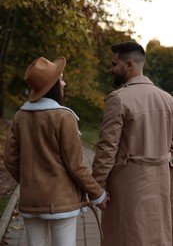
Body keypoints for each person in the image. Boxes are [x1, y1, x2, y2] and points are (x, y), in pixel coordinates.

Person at [3, 56, 110, 246]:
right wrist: (98, 194)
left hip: (32, 200)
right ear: (53, 86)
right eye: (61, 79)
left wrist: (31, 181)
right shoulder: (63, 116)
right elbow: (76, 166)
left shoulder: (20, 116)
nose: (64, 82)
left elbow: (10, 160)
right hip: (62, 202)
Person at [92, 42, 173, 246]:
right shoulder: (168, 100)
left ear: (129, 65)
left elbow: (107, 149)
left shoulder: (118, 99)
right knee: (156, 236)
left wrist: (96, 188)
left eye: (114, 64)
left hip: (128, 187)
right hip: (162, 184)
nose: (110, 69)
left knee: (125, 237)